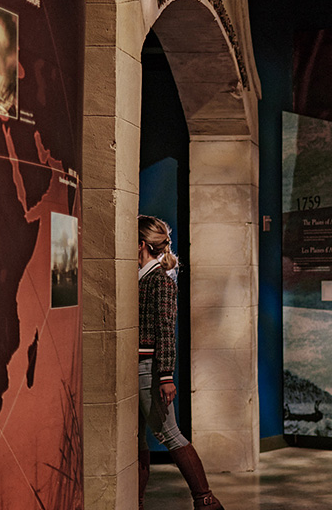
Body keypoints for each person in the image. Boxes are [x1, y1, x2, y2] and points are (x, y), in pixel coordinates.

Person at [137, 215, 224, 510]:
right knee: (137, 440)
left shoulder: (159, 280)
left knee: (169, 433)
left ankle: (205, 500)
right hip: (137, 368)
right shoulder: (142, 277)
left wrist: (165, 376)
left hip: (149, 370)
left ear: (141, 245)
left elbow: (166, 329)